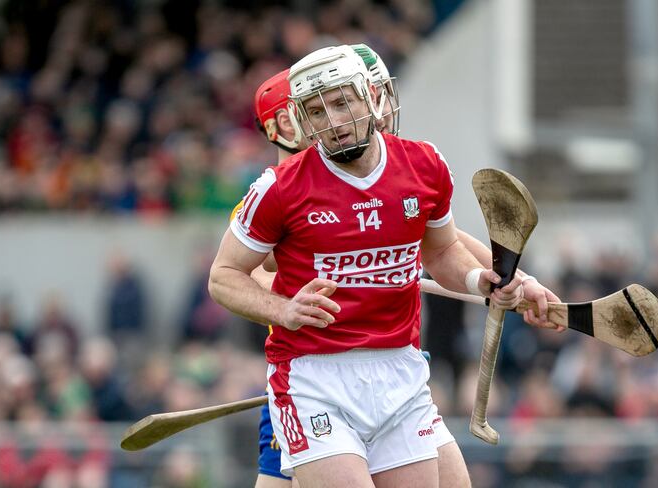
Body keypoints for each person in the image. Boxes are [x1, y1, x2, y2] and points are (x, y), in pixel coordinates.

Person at [213, 45, 561, 487]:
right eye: (318, 110)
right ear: (291, 121)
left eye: (343, 103)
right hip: (314, 374)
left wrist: (491, 281)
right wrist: (283, 307)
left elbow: (442, 247)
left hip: (399, 369)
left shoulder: (422, 165)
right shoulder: (274, 192)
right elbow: (232, 276)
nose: (335, 120)